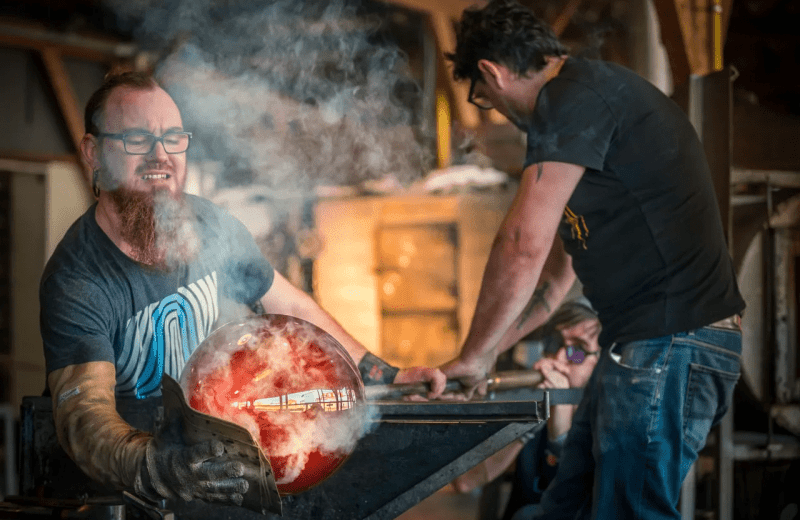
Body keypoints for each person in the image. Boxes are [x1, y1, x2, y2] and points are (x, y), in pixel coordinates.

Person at [39, 71, 446, 507]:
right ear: (94, 152)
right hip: (125, 494)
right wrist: (160, 466)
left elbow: (292, 309)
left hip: (213, 469)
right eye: (138, 140)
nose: (161, 156)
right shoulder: (78, 279)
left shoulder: (211, 226)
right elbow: (85, 416)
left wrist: (386, 374)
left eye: (173, 138)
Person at [439, 1, 746, 519]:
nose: (497, 112)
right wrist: (488, 353)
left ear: (491, 73)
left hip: (669, 341)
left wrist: (470, 355)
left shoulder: (572, 98)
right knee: (566, 508)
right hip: (646, 343)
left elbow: (522, 242)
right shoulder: (583, 113)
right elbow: (552, 282)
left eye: (484, 99)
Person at [449, 301, 600, 520]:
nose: (560, 357)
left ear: (600, 360)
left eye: (576, 351)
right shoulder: (530, 399)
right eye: (553, 343)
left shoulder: (610, 421)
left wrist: (561, 427)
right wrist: (531, 416)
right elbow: (464, 481)